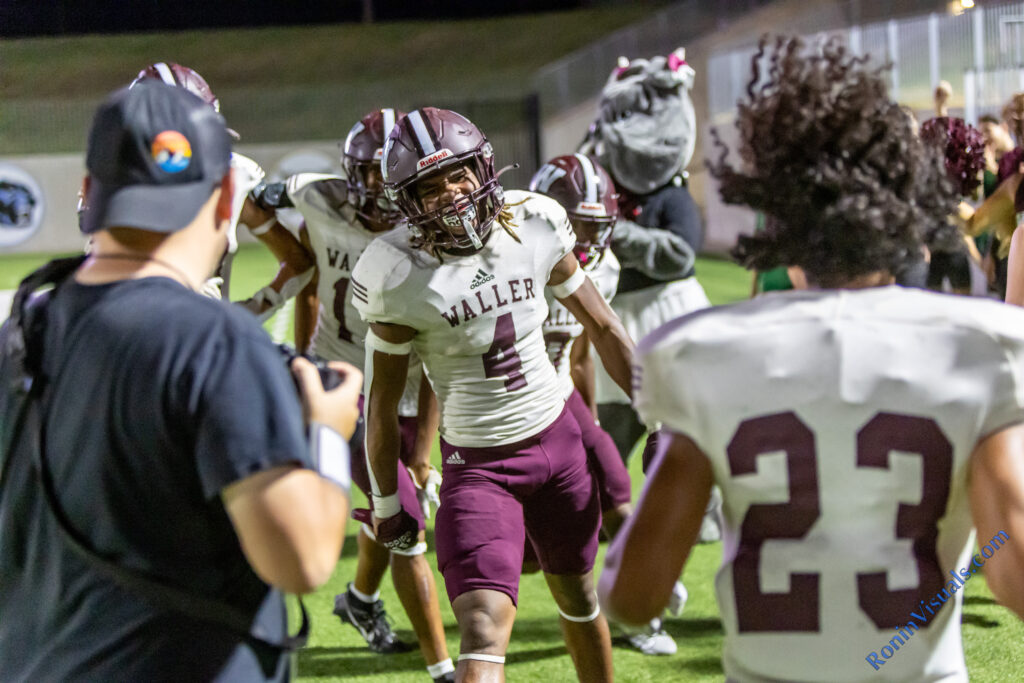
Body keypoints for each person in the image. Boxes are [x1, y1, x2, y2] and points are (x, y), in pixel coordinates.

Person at [599, 36, 1024, 682]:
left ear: (780, 218)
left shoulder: (708, 353)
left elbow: (634, 595)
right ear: (911, 214)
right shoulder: (977, 347)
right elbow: (1014, 570)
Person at [0, 82, 361, 681]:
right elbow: (302, 559)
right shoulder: (215, 342)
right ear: (225, 198)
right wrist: (326, 431)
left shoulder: (24, 327)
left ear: (90, 193)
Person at [354, 107, 635, 683]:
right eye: (429, 188)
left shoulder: (533, 222)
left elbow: (604, 328)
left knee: (580, 599)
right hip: (479, 467)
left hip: (560, 445)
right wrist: (387, 502)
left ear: (483, 168)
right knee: (482, 630)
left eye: (457, 175)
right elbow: (381, 407)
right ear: (406, 201)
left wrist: (660, 413)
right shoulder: (396, 270)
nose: (451, 196)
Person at [247, 108, 455, 682]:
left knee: (383, 509)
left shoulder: (428, 234)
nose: (375, 190)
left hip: (410, 384)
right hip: (345, 379)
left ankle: (360, 599)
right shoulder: (317, 195)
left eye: (385, 177)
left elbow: (438, 352)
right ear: (349, 173)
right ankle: (444, 671)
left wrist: (422, 453)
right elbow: (254, 194)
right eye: (364, 175)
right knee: (405, 522)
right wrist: (270, 289)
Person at [528, 152, 680, 656]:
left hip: (561, 389)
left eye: (598, 228)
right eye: (578, 226)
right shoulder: (518, 260)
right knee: (557, 531)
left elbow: (579, 350)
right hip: (518, 402)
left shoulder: (604, 268)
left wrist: (590, 417)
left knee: (615, 484)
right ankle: (626, 598)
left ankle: (637, 599)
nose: (590, 242)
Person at [128, 62, 315, 309]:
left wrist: (250, 313)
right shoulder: (115, 184)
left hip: (206, 341)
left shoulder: (235, 174)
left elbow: (298, 263)